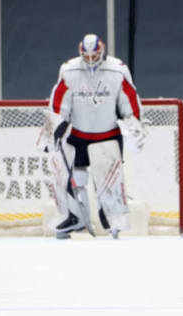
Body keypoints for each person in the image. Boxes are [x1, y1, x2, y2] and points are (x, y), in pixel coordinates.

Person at [43, 33, 146, 239]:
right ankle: (74, 219)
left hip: (107, 135)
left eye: (95, 55)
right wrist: (55, 127)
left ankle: (112, 222)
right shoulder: (69, 70)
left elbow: (130, 100)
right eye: (86, 56)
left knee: (107, 181)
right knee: (74, 178)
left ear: (102, 50)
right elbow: (58, 103)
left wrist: (134, 121)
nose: (91, 60)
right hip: (78, 135)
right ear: (81, 51)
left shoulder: (117, 69)